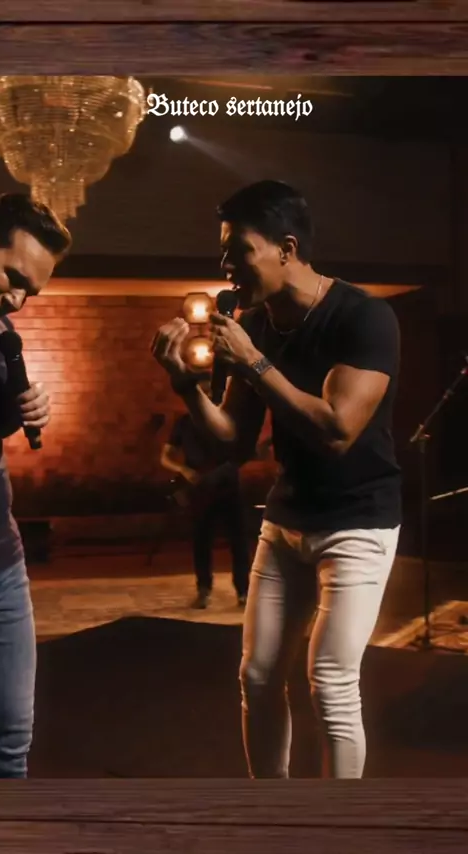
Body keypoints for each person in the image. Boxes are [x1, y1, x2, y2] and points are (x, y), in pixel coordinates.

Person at [151, 179, 401, 780]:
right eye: (223, 253)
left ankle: (338, 823)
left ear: (286, 249)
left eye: (238, 250)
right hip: (287, 519)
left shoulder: (363, 317)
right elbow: (233, 441)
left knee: (331, 680)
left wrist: (255, 364)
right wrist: (186, 386)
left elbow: (337, 429)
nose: (226, 266)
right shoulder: (258, 325)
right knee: (258, 676)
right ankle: (271, 812)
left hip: (358, 522)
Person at [0, 193, 72, 777]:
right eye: (13, 278)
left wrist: (24, 409)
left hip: (1, 562)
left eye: (30, 292)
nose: (17, 299)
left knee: (10, 744)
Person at [160, 378, 251, 609]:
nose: (206, 397)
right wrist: (184, 470)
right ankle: (204, 590)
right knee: (201, 541)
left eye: (210, 393)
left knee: (238, 542)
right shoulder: (183, 423)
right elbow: (165, 457)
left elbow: (241, 455)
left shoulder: (226, 422)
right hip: (200, 491)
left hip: (229, 488)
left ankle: (243, 591)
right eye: (201, 392)